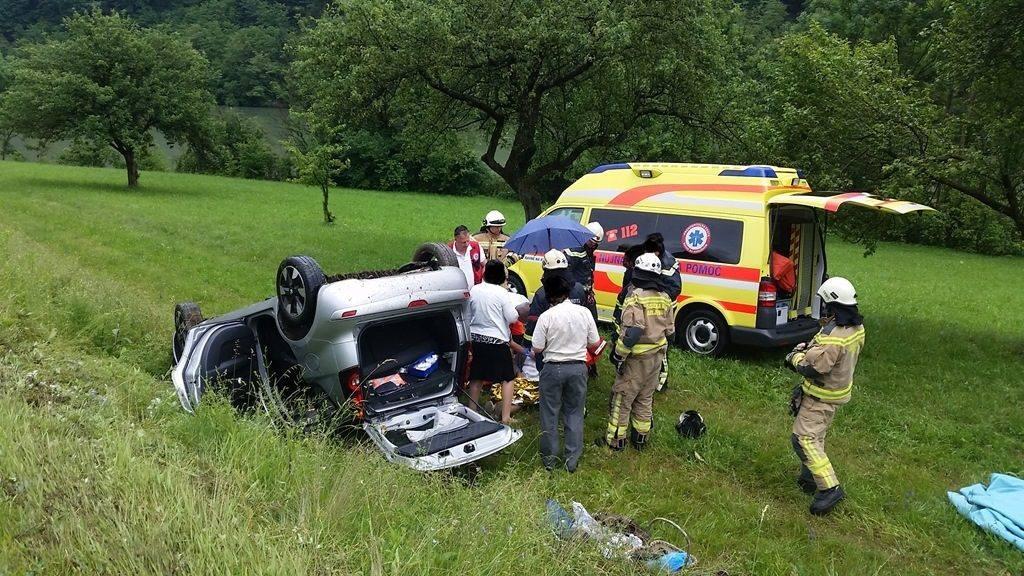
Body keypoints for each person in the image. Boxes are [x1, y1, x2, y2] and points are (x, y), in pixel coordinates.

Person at [784, 276, 866, 516]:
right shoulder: (855, 328)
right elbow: (824, 346)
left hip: (820, 396)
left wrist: (795, 357)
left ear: (833, 304)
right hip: (834, 393)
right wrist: (809, 348)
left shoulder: (835, 338)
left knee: (803, 439)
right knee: (815, 436)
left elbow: (814, 368)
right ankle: (810, 478)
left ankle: (829, 488)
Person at [601, 253, 675, 451]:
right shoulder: (665, 298)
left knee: (622, 399)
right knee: (645, 398)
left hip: (636, 360)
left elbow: (632, 333)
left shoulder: (636, 297)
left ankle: (615, 441)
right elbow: (670, 332)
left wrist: (618, 354)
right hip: (657, 358)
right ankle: (640, 438)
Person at [531, 274, 600, 472]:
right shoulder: (584, 312)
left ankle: (549, 461)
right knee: (574, 413)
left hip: (552, 368)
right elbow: (594, 343)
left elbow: (536, 347)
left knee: (549, 414)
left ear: (550, 296)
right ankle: (572, 461)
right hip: (578, 368)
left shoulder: (546, 317)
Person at [467, 260, 528, 424]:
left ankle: (471, 411)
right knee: (507, 378)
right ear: (501, 276)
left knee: (476, 376)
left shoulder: (475, 289)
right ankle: (506, 417)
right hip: (497, 340)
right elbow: (512, 317)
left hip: (477, 339)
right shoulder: (502, 293)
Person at [524, 249, 596, 350]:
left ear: (545, 270)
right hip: (577, 349)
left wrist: (527, 344)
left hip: (550, 351)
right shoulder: (579, 289)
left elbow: (532, 325)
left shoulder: (541, 294)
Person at [641, 233, 681, 392]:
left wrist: (656, 295)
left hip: (665, 308)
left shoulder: (669, 263)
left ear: (658, 250)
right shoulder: (649, 255)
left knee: (662, 344)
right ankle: (646, 377)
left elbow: (675, 289)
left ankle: (662, 383)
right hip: (651, 305)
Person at [564, 221, 604, 320]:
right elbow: (566, 274)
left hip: (586, 293)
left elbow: (587, 272)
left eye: (596, 244)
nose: (593, 246)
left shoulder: (589, 251)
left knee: (593, 320)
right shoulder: (574, 251)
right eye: (591, 242)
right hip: (574, 293)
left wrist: (589, 291)